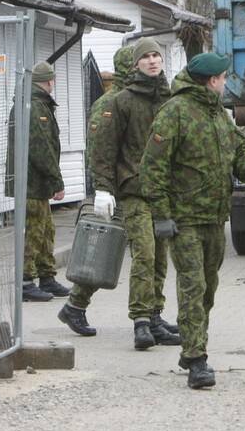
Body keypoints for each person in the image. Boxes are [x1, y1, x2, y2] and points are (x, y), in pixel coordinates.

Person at [140, 52, 245, 389]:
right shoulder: (175, 112)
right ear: (212, 80)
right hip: (184, 219)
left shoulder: (219, 113)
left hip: (215, 217)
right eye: (223, 77)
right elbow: (153, 168)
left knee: (208, 288)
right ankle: (197, 360)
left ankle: (191, 344)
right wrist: (161, 216)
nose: (226, 82)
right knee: (193, 286)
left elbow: (239, 151)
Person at [65, 38, 180, 349]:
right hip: (129, 189)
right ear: (134, 65)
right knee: (139, 252)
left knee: (156, 257)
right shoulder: (118, 102)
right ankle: (141, 320)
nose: (153, 61)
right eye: (146, 57)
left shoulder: (168, 99)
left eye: (157, 55)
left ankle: (152, 316)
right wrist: (103, 188)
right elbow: (102, 149)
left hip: (161, 192)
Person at [59, 44, 135, 335]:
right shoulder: (110, 102)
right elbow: (98, 150)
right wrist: (104, 189)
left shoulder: (137, 98)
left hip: (135, 185)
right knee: (105, 250)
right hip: (117, 188)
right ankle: (76, 305)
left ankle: (75, 306)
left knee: (131, 252)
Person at [6, 61, 70, 302]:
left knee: (45, 231)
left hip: (35, 181)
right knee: (33, 232)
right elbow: (40, 147)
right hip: (30, 182)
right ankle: (25, 281)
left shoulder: (36, 104)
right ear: (49, 81)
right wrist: (57, 180)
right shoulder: (33, 107)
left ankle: (46, 277)